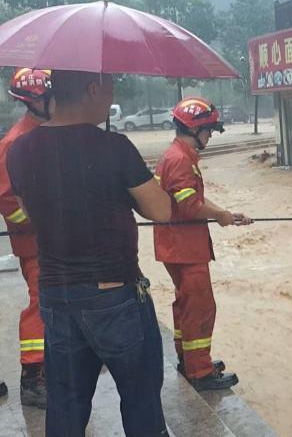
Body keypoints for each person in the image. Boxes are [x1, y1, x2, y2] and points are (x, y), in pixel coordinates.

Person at [6, 70, 171, 435]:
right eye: (110, 85)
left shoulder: (19, 150)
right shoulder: (114, 147)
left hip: (56, 294)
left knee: (65, 402)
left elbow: (29, 211)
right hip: (114, 297)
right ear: (93, 88)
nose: (111, 94)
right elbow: (162, 210)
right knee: (141, 398)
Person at [154, 97, 251, 391]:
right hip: (184, 248)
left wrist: (225, 214)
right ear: (195, 128)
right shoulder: (180, 160)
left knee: (187, 304)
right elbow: (189, 206)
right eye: (209, 130)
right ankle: (199, 371)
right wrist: (219, 215)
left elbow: (192, 200)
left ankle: (189, 359)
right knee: (200, 307)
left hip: (178, 245)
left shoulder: (179, 155)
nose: (211, 135)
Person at [0, 69, 55, 409]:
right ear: (36, 100)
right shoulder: (15, 142)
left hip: (55, 238)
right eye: (53, 96)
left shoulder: (46, 134)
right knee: (41, 302)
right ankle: (32, 379)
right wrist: (37, 225)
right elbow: (7, 199)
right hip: (36, 243)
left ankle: (50, 367)